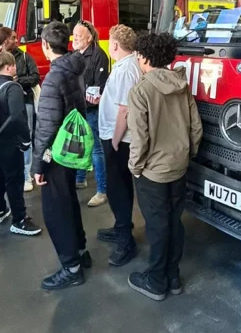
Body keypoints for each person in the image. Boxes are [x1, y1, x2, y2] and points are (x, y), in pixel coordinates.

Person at [126, 33, 203, 301]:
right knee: (174, 222)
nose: (137, 60)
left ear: (145, 58)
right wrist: (187, 154)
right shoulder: (183, 85)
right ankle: (173, 277)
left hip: (153, 172)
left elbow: (140, 137)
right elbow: (196, 128)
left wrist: (135, 167)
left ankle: (156, 281)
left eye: (137, 56)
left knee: (157, 226)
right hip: (179, 166)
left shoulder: (140, 91)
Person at [33, 21, 91, 290]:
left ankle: (71, 267)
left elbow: (46, 126)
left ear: (45, 45)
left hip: (55, 153)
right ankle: (79, 251)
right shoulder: (74, 69)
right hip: (72, 149)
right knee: (69, 202)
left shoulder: (53, 77)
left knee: (55, 210)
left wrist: (38, 165)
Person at [96, 25, 140, 266]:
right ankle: (121, 226)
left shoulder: (125, 70)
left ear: (114, 45)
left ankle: (126, 241)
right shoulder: (129, 65)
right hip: (118, 137)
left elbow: (125, 109)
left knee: (117, 188)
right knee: (118, 186)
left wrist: (114, 140)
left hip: (119, 139)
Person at [0, 51, 42, 235]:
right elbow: (18, 117)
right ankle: (19, 220)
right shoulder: (13, 87)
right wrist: (26, 140)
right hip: (10, 142)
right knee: (14, 180)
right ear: (9, 67)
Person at [0, 27, 40, 193]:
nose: (16, 40)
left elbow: (35, 77)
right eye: (13, 37)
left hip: (24, 101)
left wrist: (17, 81)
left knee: (25, 135)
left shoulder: (25, 57)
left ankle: (26, 175)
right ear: (5, 40)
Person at [73, 20, 109, 206]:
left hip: (92, 109)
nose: (75, 38)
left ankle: (102, 191)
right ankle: (80, 178)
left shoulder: (99, 56)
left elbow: (100, 85)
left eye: (79, 35)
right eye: (74, 35)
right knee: (79, 144)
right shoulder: (75, 55)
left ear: (89, 37)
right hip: (78, 107)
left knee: (96, 149)